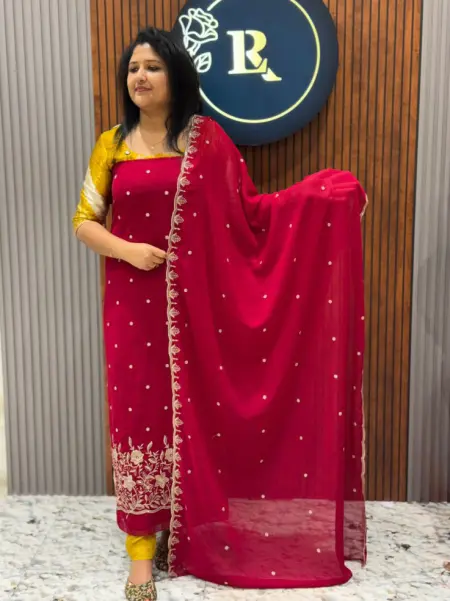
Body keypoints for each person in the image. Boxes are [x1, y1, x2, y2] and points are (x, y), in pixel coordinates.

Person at [73, 26, 367, 601]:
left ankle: (185, 530)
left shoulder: (205, 140)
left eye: (153, 67)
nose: (140, 77)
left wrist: (321, 198)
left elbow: (250, 214)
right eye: (133, 68)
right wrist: (128, 251)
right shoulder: (112, 144)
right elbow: (84, 221)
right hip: (132, 306)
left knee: (197, 412)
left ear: (176, 76)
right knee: (139, 416)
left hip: (197, 309)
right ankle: (141, 552)